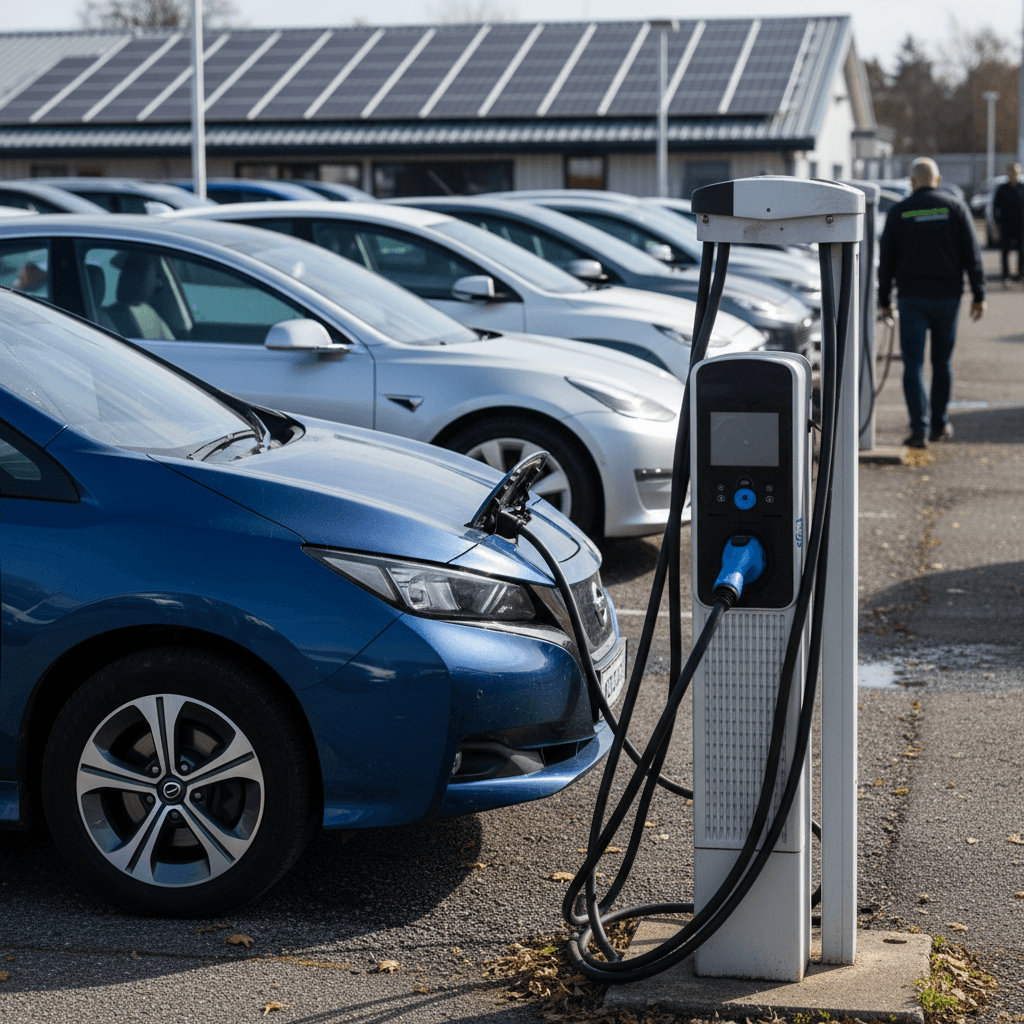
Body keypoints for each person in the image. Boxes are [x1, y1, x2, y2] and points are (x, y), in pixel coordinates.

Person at [878, 157, 985, 448]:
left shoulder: (900, 211)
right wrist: (979, 294)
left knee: (912, 365)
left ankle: (918, 430)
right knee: (942, 362)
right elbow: (972, 253)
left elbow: (886, 259)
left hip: (911, 298)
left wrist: (884, 299)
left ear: (912, 183)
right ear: (937, 180)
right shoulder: (954, 207)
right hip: (947, 297)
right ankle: (939, 425)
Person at [992, 162, 1024, 285]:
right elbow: (995, 207)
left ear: (1019, 172)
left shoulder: (1022, 188)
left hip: (1021, 225)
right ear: (1007, 173)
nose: (1013, 174)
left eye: (1015, 172)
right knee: (1005, 251)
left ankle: (1020, 274)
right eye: (1011, 172)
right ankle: (1006, 275)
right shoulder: (1002, 189)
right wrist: (996, 222)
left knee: (1022, 250)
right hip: (1005, 224)